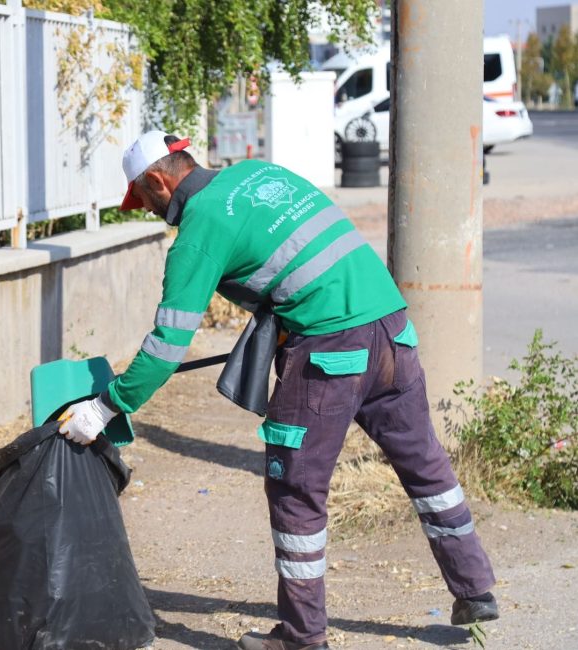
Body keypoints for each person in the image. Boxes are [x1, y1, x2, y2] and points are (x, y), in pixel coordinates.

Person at [57, 131, 499, 650]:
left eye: (145, 198)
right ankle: (475, 590)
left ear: (158, 179)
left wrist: (106, 406)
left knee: (295, 489)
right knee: (425, 463)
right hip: (391, 328)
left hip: (333, 355)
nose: (151, 210)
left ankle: (301, 638)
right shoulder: (257, 173)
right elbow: (297, 259)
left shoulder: (199, 229)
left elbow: (166, 348)